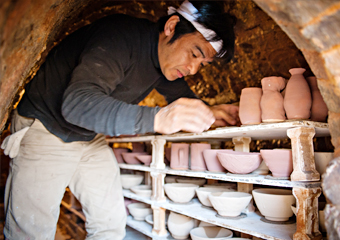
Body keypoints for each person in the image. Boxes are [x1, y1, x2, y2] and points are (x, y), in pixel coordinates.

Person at [1, 0, 238, 239]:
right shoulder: (119, 38)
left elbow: (181, 94)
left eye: (202, 64)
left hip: (87, 136)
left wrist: (210, 111)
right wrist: (157, 118)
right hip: (46, 126)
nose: (193, 68)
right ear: (172, 26)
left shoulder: (164, 64)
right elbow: (77, 103)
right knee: (31, 232)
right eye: (194, 53)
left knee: (110, 223)